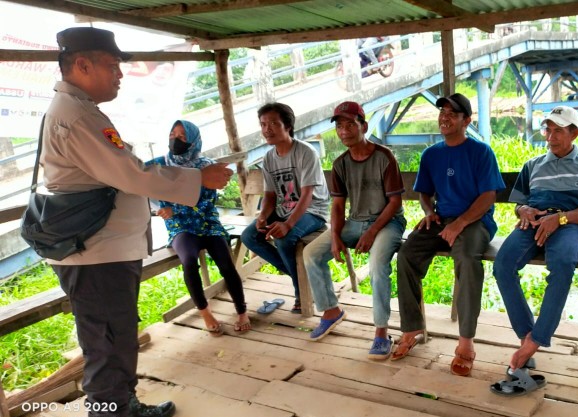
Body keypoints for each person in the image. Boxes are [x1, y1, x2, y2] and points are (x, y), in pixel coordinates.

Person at [43, 28, 233, 417]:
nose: (119, 75)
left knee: (118, 339)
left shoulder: (81, 110)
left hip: (105, 252)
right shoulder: (76, 117)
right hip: (95, 257)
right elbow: (130, 173)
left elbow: (122, 170)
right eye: (112, 67)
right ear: (82, 65)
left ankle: (125, 410)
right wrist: (198, 178)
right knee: (106, 349)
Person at [492, 106, 578, 379]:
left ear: (575, 133)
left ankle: (537, 339)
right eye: (548, 129)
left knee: (561, 266)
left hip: (568, 224)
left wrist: (559, 219)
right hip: (533, 222)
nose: (551, 136)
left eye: (558, 130)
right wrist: (522, 211)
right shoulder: (532, 165)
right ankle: (527, 336)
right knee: (503, 265)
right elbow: (520, 203)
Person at [390, 93, 506, 377]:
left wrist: (460, 223)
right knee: (407, 254)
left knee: (467, 259)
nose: (445, 117)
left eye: (452, 114)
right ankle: (411, 328)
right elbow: (424, 193)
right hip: (442, 218)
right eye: (442, 111)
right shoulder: (432, 154)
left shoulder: (480, 152)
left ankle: (466, 343)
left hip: (476, 220)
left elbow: (488, 196)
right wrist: (429, 212)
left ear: (466, 121)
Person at [302, 102, 406, 356]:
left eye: (350, 124)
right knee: (312, 253)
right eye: (339, 126)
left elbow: (395, 203)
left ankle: (381, 331)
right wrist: (336, 235)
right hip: (355, 222)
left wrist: (371, 232)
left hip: (387, 223)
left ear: (364, 126)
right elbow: (338, 206)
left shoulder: (384, 157)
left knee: (378, 265)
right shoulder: (340, 164)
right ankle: (331, 311)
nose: (344, 131)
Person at [145, 120, 250, 336]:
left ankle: (242, 312)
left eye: (182, 137)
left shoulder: (208, 166)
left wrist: (175, 209)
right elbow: (137, 181)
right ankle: (205, 313)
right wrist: (166, 210)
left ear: (193, 141)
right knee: (189, 262)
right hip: (181, 227)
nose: (175, 139)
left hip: (208, 223)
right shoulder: (159, 165)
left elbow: (206, 203)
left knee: (225, 263)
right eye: (173, 134)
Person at [241, 103, 330, 313]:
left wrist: (288, 224)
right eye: (263, 124)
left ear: (287, 126)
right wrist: (263, 216)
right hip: (283, 210)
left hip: (312, 211)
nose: (267, 130)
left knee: (283, 238)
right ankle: (300, 275)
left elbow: (308, 195)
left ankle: (301, 294)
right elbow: (271, 195)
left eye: (273, 123)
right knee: (249, 236)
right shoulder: (269, 158)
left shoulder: (306, 153)